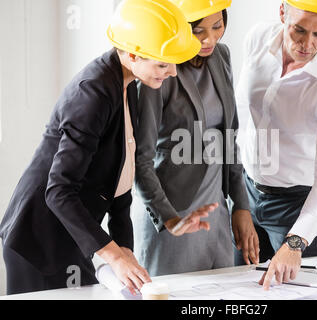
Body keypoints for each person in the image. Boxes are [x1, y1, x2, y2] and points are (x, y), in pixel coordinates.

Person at [0, 0, 206, 295]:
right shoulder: (93, 92)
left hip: (74, 237)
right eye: (163, 63)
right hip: (38, 241)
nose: (172, 72)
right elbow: (58, 190)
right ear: (133, 54)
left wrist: (125, 251)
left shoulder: (127, 83)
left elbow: (120, 183)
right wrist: (114, 256)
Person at [235, 0, 317, 290]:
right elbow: (240, 113)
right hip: (247, 192)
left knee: (298, 293)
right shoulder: (256, 39)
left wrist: (296, 241)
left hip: (297, 206)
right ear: (282, 13)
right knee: (238, 288)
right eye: (299, 30)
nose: (307, 44)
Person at [132, 0, 259, 277]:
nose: (209, 38)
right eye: (197, 31)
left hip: (215, 208)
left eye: (217, 26)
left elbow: (230, 138)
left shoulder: (221, 56)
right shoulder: (158, 68)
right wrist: (170, 219)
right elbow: (139, 160)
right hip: (174, 213)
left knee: (223, 293)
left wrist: (241, 206)